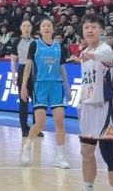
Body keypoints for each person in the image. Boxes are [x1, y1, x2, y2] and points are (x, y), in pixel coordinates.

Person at [68, 15, 113, 191]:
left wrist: (89, 54)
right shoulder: (84, 53)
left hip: (105, 108)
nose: (90, 30)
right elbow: (87, 82)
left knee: (108, 154)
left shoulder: (106, 49)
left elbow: (101, 55)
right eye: (86, 28)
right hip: (88, 107)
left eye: (93, 27)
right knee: (86, 151)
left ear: (101, 30)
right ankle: (88, 187)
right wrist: (81, 101)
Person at [20, 18, 71, 169]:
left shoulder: (59, 46)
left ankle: (60, 157)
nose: (46, 27)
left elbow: (62, 69)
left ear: (53, 29)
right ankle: (27, 147)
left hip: (56, 86)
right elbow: (28, 66)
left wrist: (68, 88)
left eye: (49, 25)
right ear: (40, 30)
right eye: (44, 26)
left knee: (60, 122)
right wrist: (24, 86)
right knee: (40, 123)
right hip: (40, 85)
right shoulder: (35, 45)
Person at [11, 20, 43, 138]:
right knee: (23, 102)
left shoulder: (36, 42)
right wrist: (13, 74)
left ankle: (36, 128)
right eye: (24, 26)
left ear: (31, 28)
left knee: (36, 102)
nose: (26, 28)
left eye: (28, 26)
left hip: (34, 70)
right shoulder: (16, 41)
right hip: (22, 68)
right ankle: (24, 129)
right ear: (21, 28)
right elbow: (13, 59)